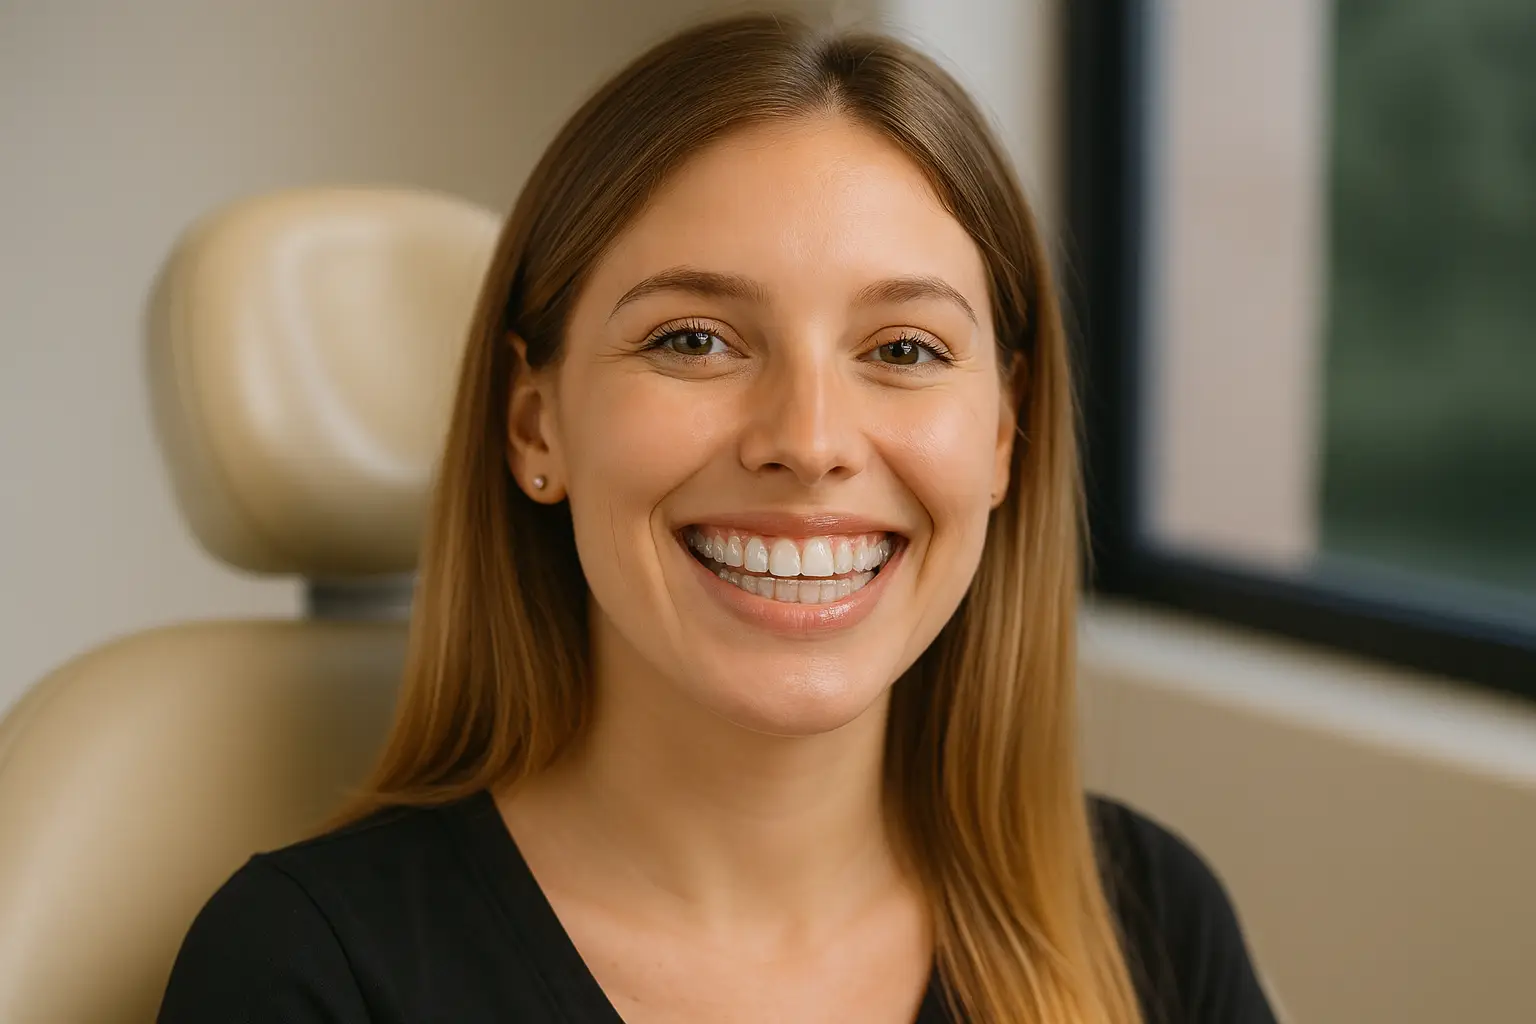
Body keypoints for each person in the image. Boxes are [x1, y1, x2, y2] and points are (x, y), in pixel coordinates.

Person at [158, 13, 1277, 1024]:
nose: (810, 436)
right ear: (536, 425)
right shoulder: (305, 969)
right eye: (693, 338)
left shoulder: (1152, 926)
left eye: (903, 350)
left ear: (1001, 434)